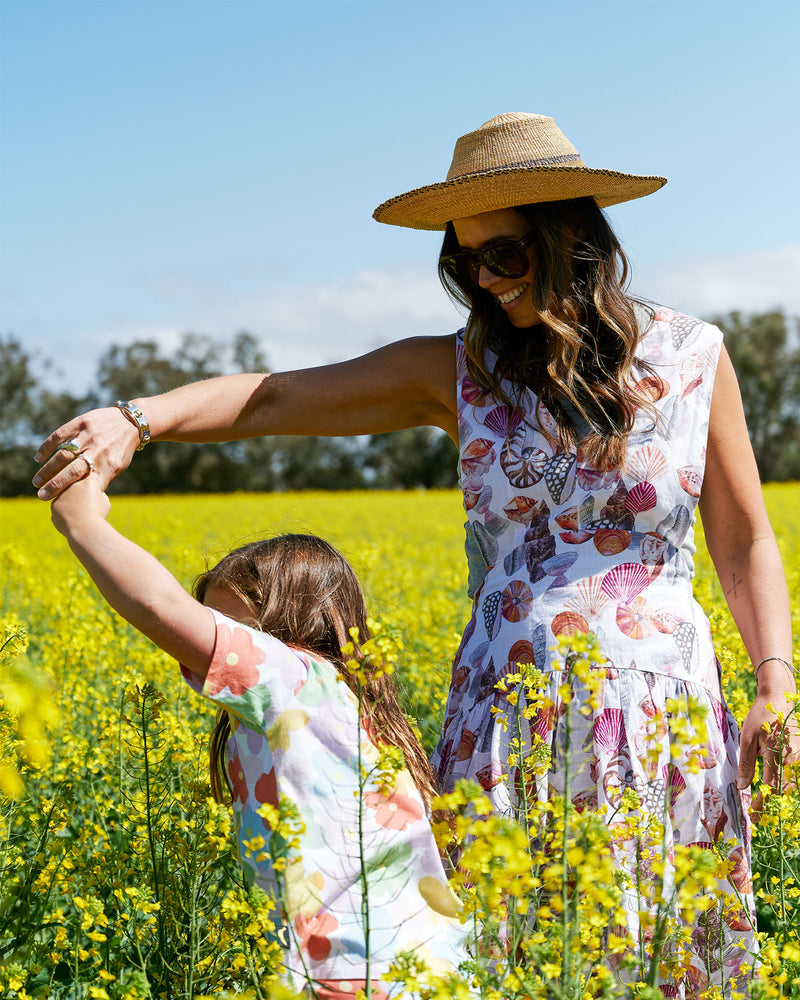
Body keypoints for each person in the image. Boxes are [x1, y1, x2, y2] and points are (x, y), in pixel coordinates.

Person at [36, 113, 796, 993]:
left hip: (663, 720)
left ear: (570, 238)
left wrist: (774, 685)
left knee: (664, 959)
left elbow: (743, 541)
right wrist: (139, 418)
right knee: (507, 963)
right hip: (509, 725)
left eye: (504, 253)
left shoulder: (696, 356)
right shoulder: (462, 369)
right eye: (464, 261)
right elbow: (280, 398)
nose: (483, 278)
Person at [50, 479, 470, 998]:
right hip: (411, 968)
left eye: (230, 625)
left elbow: (159, 607)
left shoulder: (292, 679)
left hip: (363, 972)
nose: (213, 637)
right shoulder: (336, 703)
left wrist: (82, 523)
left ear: (296, 619)